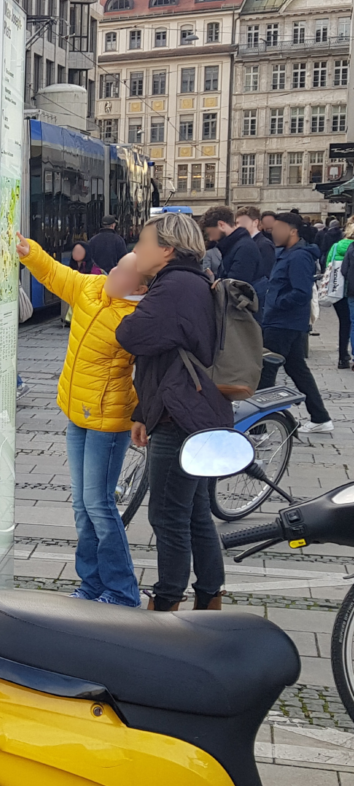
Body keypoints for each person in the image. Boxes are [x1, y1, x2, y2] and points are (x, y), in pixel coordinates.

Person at [17, 234, 150, 607]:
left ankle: (123, 590)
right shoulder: (92, 289)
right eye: (116, 267)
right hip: (77, 412)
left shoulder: (138, 317)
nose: (112, 273)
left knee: (99, 505)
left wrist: (143, 416)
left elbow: (152, 373)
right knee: (82, 506)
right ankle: (91, 584)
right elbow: (56, 275)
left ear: (139, 287)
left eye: (123, 272)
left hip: (108, 421)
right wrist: (31, 252)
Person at [116, 213, 233, 612]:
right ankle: (210, 597)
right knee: (195, 511)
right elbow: (166, 358)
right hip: (196, 411)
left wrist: (135, 301)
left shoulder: (174, 286)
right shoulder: (191, 281)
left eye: (142, 243)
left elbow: (131, 335)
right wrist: (140, 412)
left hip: (179, 419)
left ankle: (166, 605)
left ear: (166, 248)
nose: (135, 251)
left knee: (167, 514)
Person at [259, 212, 334, 433]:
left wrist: (277, 303)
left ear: (293, 231)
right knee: (297, 369)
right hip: (282, 321)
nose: (274, 233)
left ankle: (258, 430)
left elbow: (301, 292)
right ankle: (320, 417)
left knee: (266, 371)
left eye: (279, 228)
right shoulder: (287, 253)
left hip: (283, 323)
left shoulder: (299, 256)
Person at [199, 206, 263, 287]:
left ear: (221, 225)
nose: (211, 238)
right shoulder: (235, 246)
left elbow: (236, 287)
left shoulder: (244, 248)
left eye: (211, 233)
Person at [235, 206, 276, 321]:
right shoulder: (246, 243)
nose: (238, 226)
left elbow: (268, 273)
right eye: (237, 223)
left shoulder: (263, 244)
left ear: (255, 222)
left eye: (242, 222)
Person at [327, 218, 354, 369]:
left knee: (344, 323)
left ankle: (342, 356)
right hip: (351, 290)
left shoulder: (336, 246)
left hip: (338, 291)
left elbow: (328, 266)